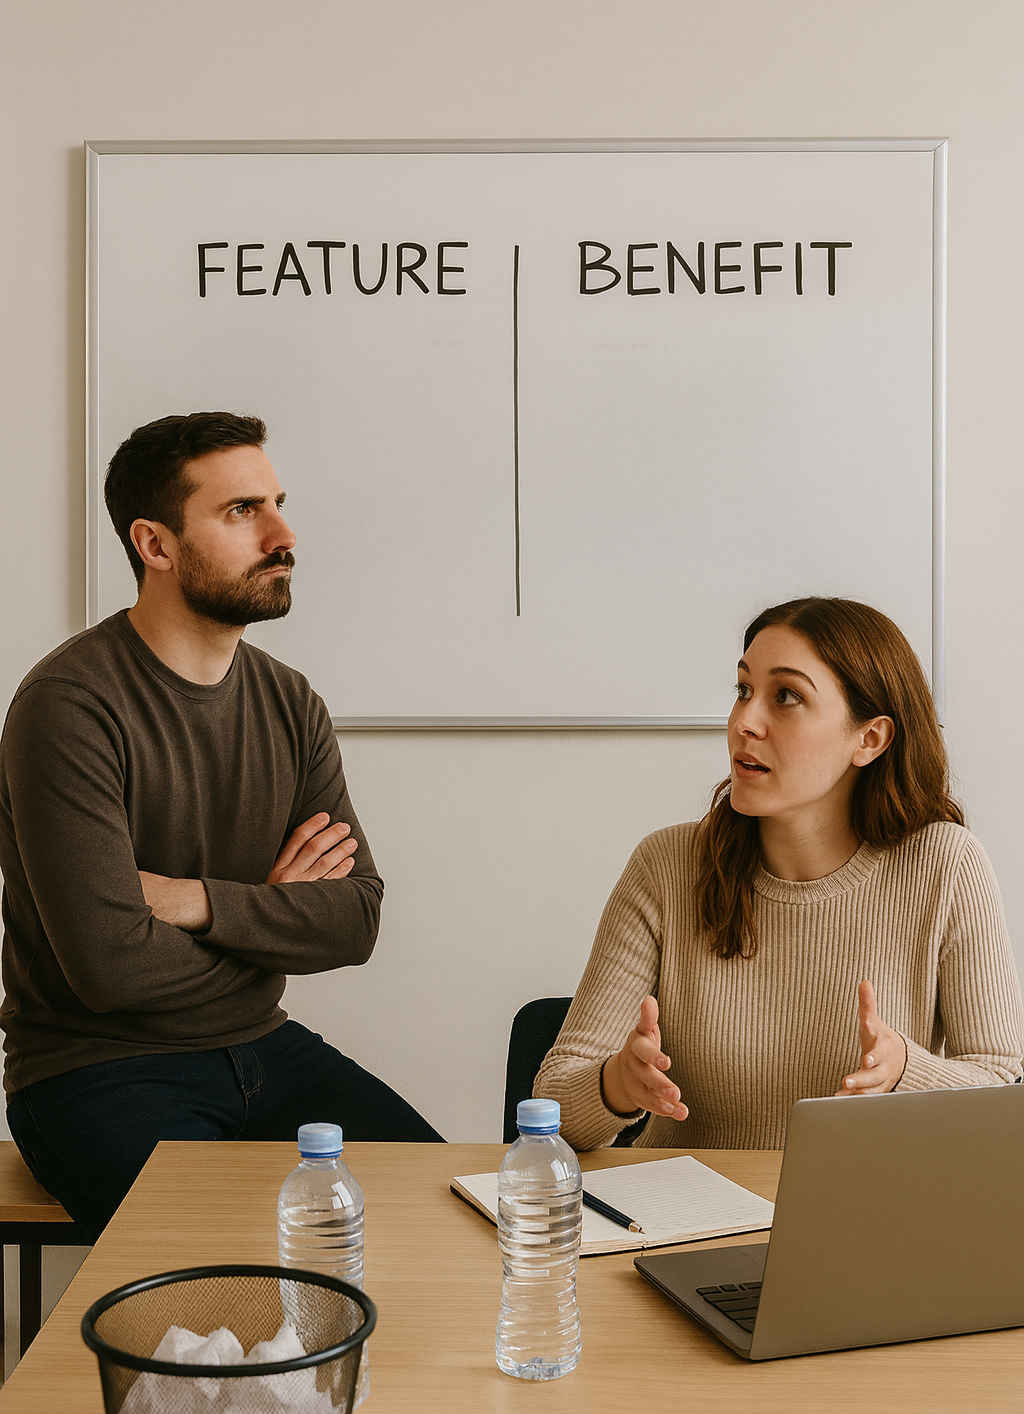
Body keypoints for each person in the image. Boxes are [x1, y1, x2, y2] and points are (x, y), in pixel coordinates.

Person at [0, 411, 441, 1241]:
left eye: (276, 503)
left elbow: (356, 919)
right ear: (155, 545)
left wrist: (195, 902)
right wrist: (271, 919)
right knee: (232, 1290)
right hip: (96, 1073)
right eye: (242, 511)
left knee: (448, 1224)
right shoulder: (68, 709)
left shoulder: (289, 700)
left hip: (267, 1052)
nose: (284, 534)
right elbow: (110, 972)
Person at [535, 596, 1024, 1152]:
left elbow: (1001, 1091)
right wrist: (618, 1084)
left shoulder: (946, 866)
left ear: (870, 739)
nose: (744, 721)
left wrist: (905, 1071)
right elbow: (552, 1102)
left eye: (786, 696)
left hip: (861, 1220)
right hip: (685, 1226)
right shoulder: (666, 867)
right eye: (743, 690)